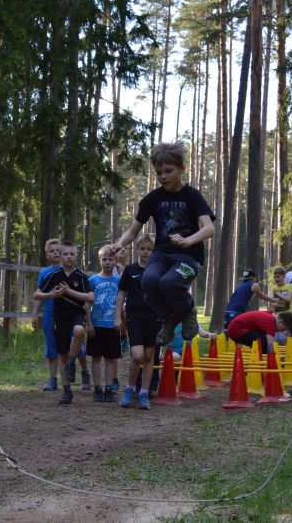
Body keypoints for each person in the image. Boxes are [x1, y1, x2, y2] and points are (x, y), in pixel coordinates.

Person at [106, 141, 215, 345]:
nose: (163, 176)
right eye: (159, 172)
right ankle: (169, 318)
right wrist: (120, 243)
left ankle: (188, 309)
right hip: (162, 254)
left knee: (169, 283)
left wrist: (187, 240)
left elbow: (209, 228)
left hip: (189, 257)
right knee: (148, 281)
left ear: (181, 169)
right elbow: (133, 231)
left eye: (168, 171)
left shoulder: (192, 196)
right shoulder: (153, 198)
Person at [34, 241, 94, 405]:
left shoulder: (81, 277)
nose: (69, 257)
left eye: (72, 254)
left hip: (76, 314)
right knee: (62, 355)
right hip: (59, 318)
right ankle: (67, 391)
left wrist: (69, 291)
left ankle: (72, 362)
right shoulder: (53, 276)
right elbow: (37, 295)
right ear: (60, 256)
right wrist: (52, 295)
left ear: (76, 256)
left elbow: (90, 297)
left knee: (79, 330)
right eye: (65, 254)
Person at [116, 235, 160, 409]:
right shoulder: (130, 270)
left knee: (149, 356)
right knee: (137, 355)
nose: (146, 252)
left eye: (149, 249)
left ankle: (144, 393)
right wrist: (117, 316)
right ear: (137, 249)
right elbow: (121, 292)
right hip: (134, 317)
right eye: (142, 249)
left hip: (154, 317)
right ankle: (130, 389)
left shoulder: (158, 270)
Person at [89, 246, 122, 403]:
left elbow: (122, 303)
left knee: (110, 358)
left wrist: (121, 322)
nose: (107, 262)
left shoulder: (119, 281)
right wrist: (88, 323)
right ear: (99, 260)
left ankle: (109, 388)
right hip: (96, 325)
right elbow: (87, 303)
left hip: (112, 325)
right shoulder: (93, 280)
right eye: (104, 259)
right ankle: (97, 388)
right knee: (96, 357)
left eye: (111, 259)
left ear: (115, 261)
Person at [32, 238, 62, 391]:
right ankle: (52, 379)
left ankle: (84, 372)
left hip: (68, 314)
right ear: (47, 255)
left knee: (75, 344)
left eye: (58, 250)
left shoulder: (68, 270)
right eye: (52, 251)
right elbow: (39, 294)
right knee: (51, 345)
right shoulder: (44, 273)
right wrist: (35, 314)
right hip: (49, 313)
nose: (56, 253)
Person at [226, 310, 292, 355]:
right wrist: (277, 357)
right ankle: (264, 361)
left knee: (262, 341)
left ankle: (260, 357)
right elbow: (270, 345)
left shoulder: (272, 315)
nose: (282, 331)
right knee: (263, 344)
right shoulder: (271, 322)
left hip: (238, 328)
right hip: (236, 330)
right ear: (280, 322)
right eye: (283, 329)